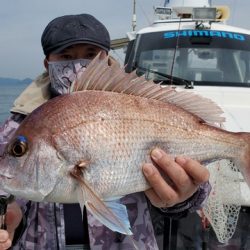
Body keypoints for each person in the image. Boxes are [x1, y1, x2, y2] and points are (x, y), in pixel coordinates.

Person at [0, 13, 210, 249]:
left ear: (106, 59)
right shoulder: (15, 128)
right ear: (48, 63)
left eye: (90, 55)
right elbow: (7, 187)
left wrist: (183, 197)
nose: (78, 65)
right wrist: (10, 224)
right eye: (66, 56)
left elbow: (200, 187)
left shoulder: (135, 100)